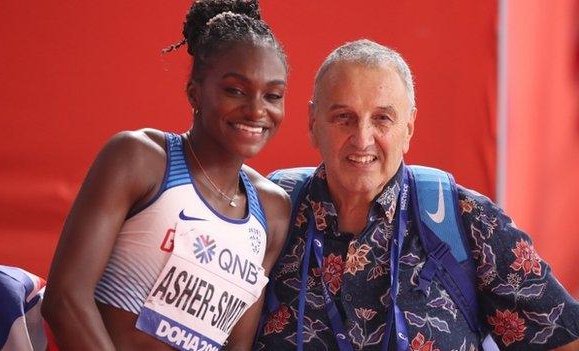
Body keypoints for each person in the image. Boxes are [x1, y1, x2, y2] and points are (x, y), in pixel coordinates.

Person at [255, 39, 579, 350]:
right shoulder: (271, 214)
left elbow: (564, 339)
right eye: (344, 118)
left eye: (382, 118)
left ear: (408, 128)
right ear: (313, 123)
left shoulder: (467, 221)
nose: (362, 138)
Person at [41, 1, 290, 350]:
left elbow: (236, 345)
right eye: (235, 90)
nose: (256, 109)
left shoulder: (272, 210)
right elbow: (65, 300)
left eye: (273, 95)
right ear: (195, 93)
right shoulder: (139, 159)